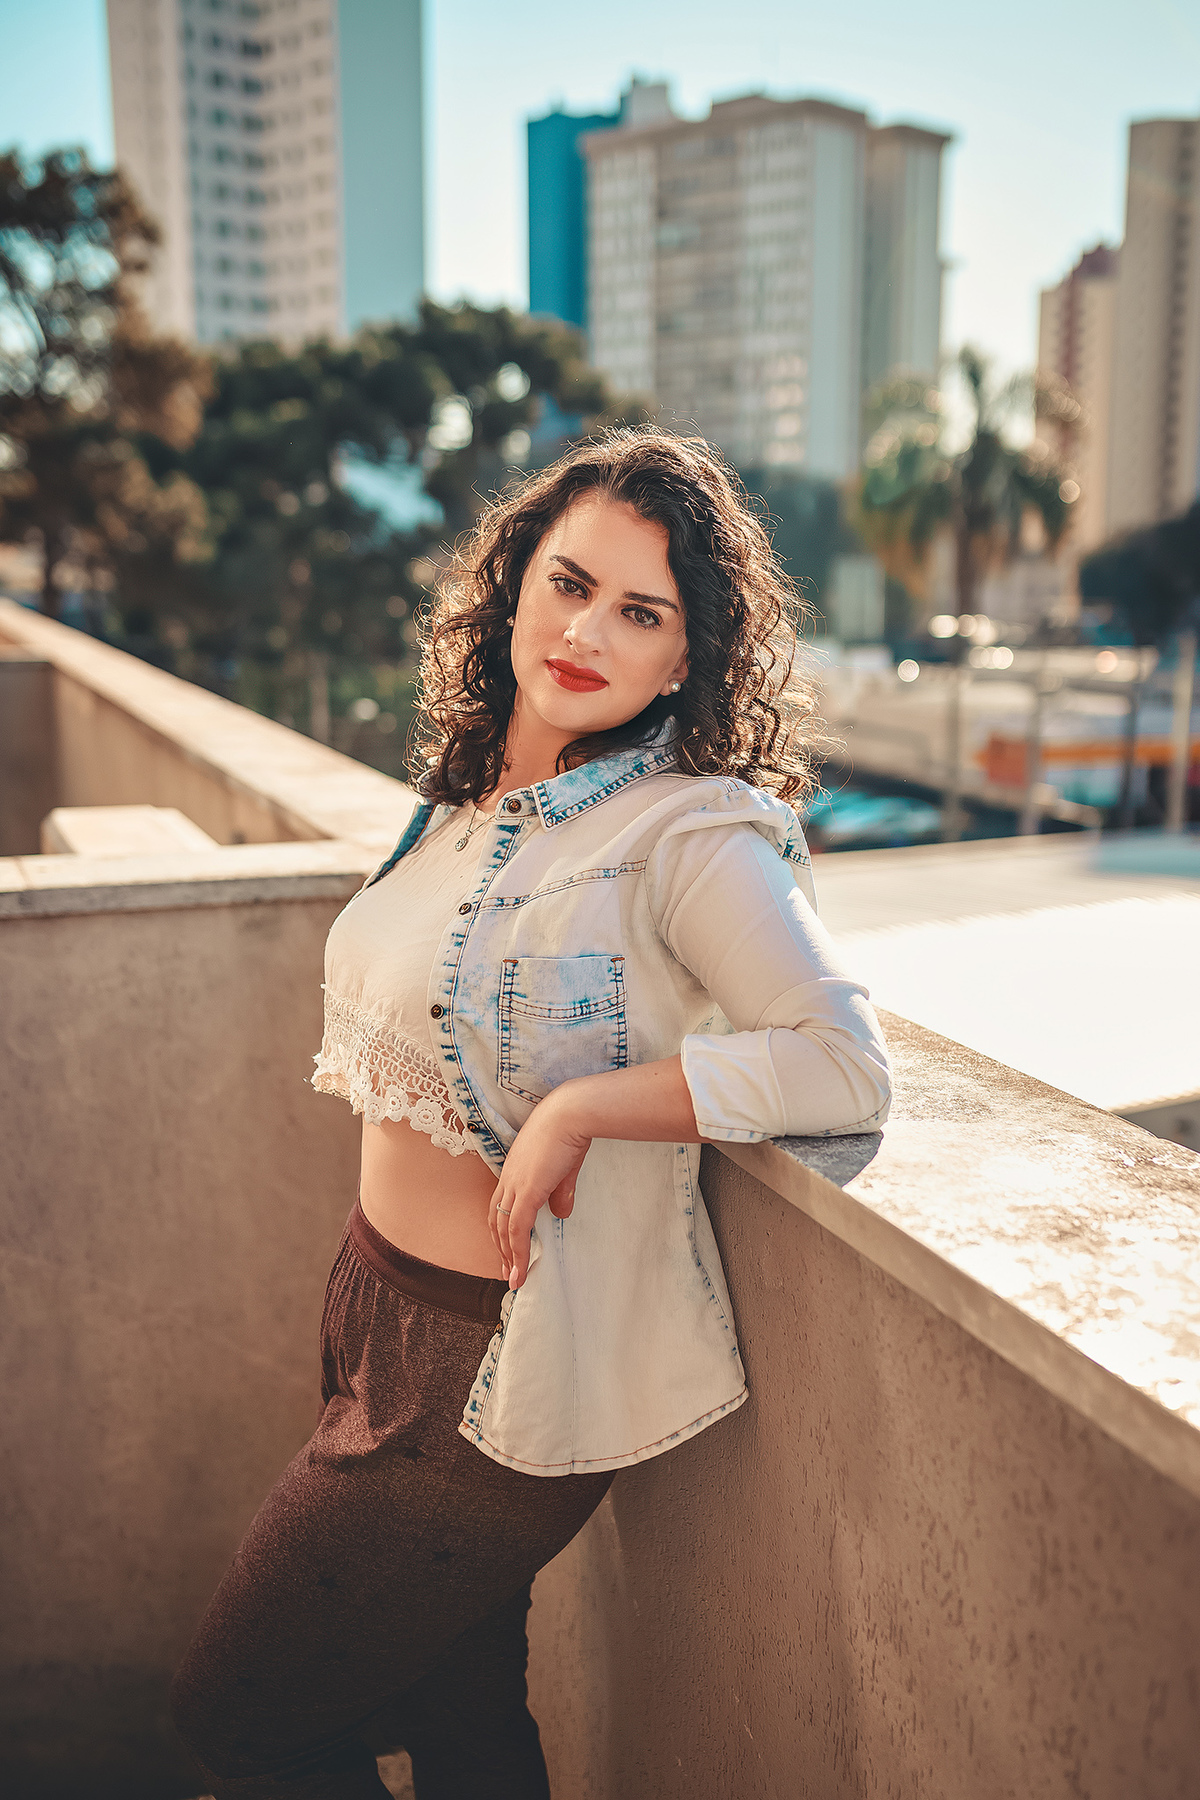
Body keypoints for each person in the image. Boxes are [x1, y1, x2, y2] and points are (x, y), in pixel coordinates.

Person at [171, 428, 892, 1798]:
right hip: (375, 1307)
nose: (587, 632)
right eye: (569, 584)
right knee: (461, 1718)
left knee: (238, 1717)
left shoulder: (685, 831)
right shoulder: (461, 803)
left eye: (641, 612)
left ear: (686, 657)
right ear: (511, 588)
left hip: (490, 1365)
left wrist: (587, 1111)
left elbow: (840, 1063)